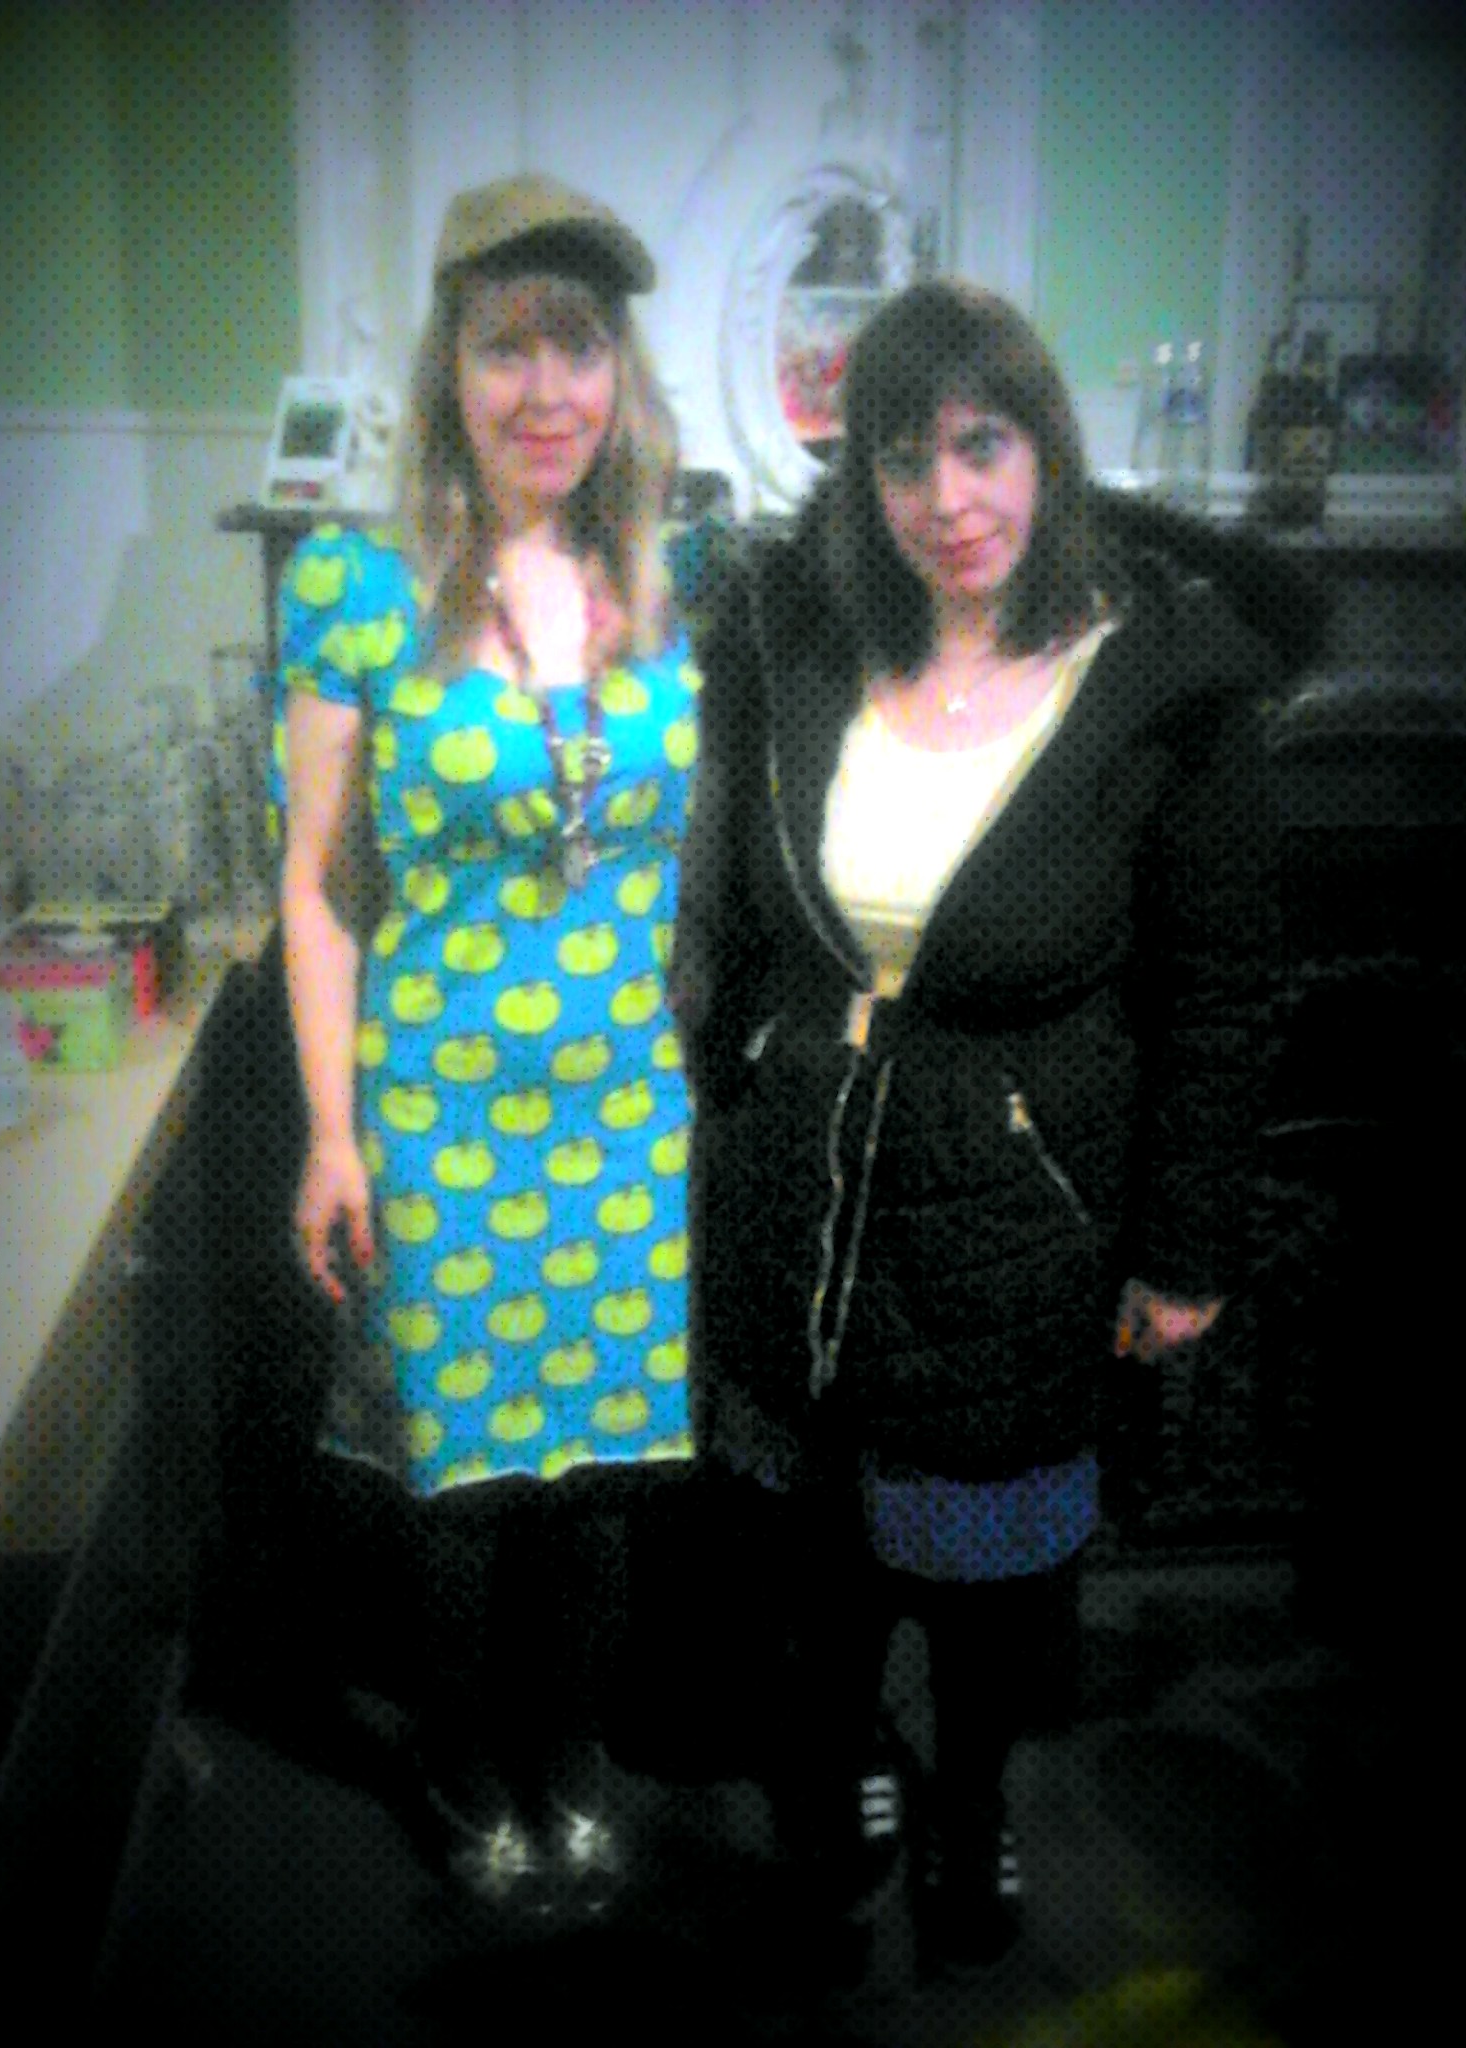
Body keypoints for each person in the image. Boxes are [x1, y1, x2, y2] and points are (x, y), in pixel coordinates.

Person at [674, 280, 1327, 1980]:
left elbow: (1222, 992)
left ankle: (969, 1804)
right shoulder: (802, 642)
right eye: (904, 459)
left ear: (1047, 449)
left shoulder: (1163, 683)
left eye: (983, 446)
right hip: (805, 1196)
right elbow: (734, 905)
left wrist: (1186, 1251)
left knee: (985, 1578)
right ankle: (844, 1773)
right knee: (819, 1559)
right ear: (861, 479)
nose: (947, 498)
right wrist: (729, 1083)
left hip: (1023, 1211)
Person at [274, 172, 696, 1907]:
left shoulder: (667, 578)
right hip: (439, 1108)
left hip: (623, 1110)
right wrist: (332, 1134)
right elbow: (317, 887)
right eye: (506, 347)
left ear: (620, 373)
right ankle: (460, 1767)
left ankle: (571, 1757)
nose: (545, 389)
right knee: (457, 1477)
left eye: (577, 348)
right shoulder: (358, 587)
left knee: (598, 1470)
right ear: (450, 369)